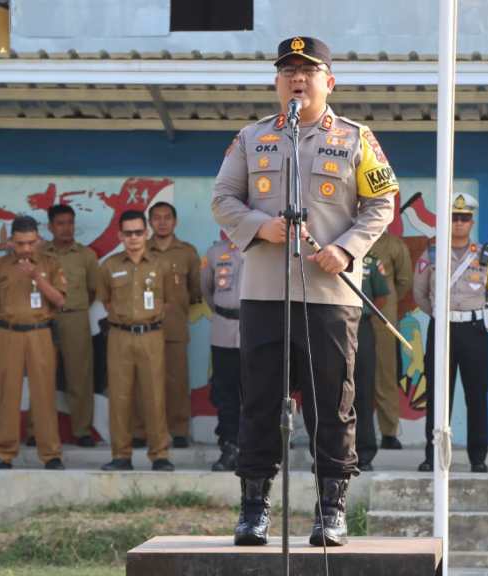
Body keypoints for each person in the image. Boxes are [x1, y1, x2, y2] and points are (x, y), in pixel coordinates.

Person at [212, 35, 397, 547]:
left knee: (332, 405)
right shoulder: (252, 138)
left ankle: (330, 510)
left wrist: (346, 248)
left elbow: (382, 203)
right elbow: (222, 197)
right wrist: (258, 225)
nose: (297, 78)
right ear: (276, 82)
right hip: (266, 295)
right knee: (260, 402)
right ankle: (254, 510)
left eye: (308, 70)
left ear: (328, 81)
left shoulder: (357, 138)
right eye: (288, 70)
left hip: (329, 296)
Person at [413, 192, 488, 473]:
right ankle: (433, 456)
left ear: (471, 221)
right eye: (454, 217)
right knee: (439, 394)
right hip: (441, 327)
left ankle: (478, 457)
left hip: (474, 330)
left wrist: (482, 310)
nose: (459, 223)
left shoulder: (487, 255)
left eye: (464, 218)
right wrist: (440, 314)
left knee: (476, 394)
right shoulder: (432, 252)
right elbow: (419, 293)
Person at [0, 216, 66, 471]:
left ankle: (51, 455)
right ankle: (4, 453)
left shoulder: (50, 263)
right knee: (8, 394)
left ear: (38, 239)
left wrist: (37, 276)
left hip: (40, 333)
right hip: (9, 334)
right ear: (10, 242)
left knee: (44, 394)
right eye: (20, 244)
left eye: (30, 243)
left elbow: (59, 300)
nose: (26, 249)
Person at [98, 210, 174, 472]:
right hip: (119, 336)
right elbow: (105, 300)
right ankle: (121, 455)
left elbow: (169, 299)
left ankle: (160, 454)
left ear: (146, 233)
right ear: (120, 235)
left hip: (151, 335)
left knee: (155, 396)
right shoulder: (109, 266)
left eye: (138, 232)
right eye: (128, 233)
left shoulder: (160, 264)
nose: (133, 238)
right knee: (119, 397)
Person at [131, 201, 202, 449]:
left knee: (176, 382)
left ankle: (179, 430)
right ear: (149, 223)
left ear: (175, 221)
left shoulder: (187, 252)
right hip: (142, 327)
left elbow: (196, 291)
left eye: (167, 217)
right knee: (142, 381)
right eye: (157, 218)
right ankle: (140, 431)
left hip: (174, 328)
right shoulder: (139, 249)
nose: (162, 222)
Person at [42, 204, 99, 447]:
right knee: (41, 375)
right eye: (60, 223)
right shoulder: (39, 253)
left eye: (70, 223)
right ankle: (38, 431)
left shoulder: (86, 255)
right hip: (44, 319)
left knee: (80, 375)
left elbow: (94, 289)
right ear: (50, 227)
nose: (66, 228)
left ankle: (82, 430)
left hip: (75, 317)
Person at [201, 235, 243, 472]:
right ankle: (229, 447)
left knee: (257, 394)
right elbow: (206, 290)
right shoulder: (214, 253)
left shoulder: (263, 250)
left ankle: (254, 449)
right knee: (226, 393)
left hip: (256, 332)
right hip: (223, 331)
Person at [368, 232, 413, 449]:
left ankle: (389, 432)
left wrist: (388, 301)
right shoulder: (346, 237)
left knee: (386, 373)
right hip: (350, 314)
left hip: (382, 317)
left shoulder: (393, 245)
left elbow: (404, 282)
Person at [355, 254, 391, 471]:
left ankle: (364, 453)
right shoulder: (322, 253)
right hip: (328, 325)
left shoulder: (370, 261)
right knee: (327, 391)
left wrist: (362, 313)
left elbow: (381, 297)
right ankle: (327, 453)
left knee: (363, 391)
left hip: (361, 326)